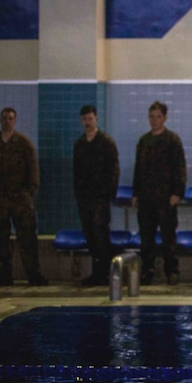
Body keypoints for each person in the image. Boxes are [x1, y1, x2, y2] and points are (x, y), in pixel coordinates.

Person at [0, 107, 47, 287]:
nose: (7, 121)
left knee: (27, 238)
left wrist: (29, 192)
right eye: (4, 118)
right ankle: (4, 274)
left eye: (10, 118)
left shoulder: (23, 143)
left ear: (15, 121)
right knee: (1, 239)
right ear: (0, 120)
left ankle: (33, 274)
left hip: (20, 199)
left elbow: (33, 170)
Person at [132, 100, 186, 286]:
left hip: (165, 198)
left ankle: (172, 271)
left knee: (168, 237)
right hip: (147, 197)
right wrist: (136, 193)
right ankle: (148, 270)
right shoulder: (144, 141)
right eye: (152, 117)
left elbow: (179, 167)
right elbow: (138, 169)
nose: (154, 121)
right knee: (146, 238)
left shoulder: (172, 140)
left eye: (158, 117)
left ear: (165, 118)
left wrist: (177, 192)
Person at [73, 105, 121, 287]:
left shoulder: (106, 142)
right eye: (85, 119)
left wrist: (110, 193)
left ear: (96, 119)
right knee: (90, 235)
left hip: (100, 196)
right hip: (85, 197)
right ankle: (97, 273)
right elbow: (76, 171)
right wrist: (77, 192)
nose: (87, 122)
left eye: (90, 119)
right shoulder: (80, 144)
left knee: (101, 234)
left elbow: (113, 169)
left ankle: (106, 273)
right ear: (81, 121)